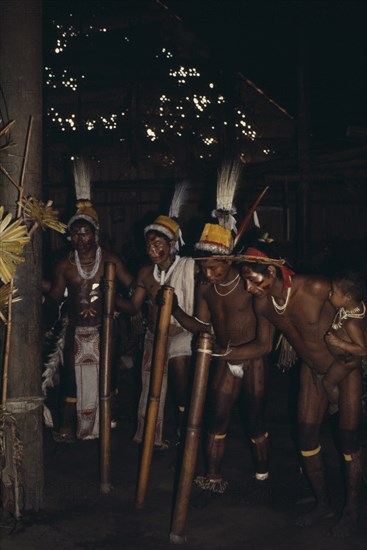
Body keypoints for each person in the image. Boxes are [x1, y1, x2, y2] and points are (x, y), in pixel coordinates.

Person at [228, 238, 365, 536]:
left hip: (344, 369)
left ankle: (353, 509)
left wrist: (354, 350)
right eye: (246, 282)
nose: (249, 288)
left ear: (272, 272)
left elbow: (353, 304)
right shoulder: (263, 304)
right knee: (305, 438)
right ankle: (323, 502)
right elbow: (263, 346)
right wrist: (224, 353)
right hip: (311, 372)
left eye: (252, 280)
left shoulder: (315, 287)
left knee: (348, 440)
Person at [171, 163, 270, 497]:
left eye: (212, 267)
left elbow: (264, 345)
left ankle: (263, 475)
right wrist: (174, 311)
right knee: (217, 420)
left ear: (229, 261)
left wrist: (231, 353)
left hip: (251, 358)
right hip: (225, 359)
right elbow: (201, 325)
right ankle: (212, 477)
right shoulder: (206, 289)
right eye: (204, 267)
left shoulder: (250, 285)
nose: (207, 273)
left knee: (255, 423)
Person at [43, 166, 133, 441]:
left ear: (96, 233)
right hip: (76, 330)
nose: (80, 239)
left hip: (105, 327)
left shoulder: (111, 260)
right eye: (75, 234)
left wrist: (116, 300)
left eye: (85, 233)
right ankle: (68, 427)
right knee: (71, 378)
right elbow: (56, 297)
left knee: (109, 376)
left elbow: (133, 287)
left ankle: (110, 419)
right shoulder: (64, 265)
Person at [116, 186, 196, 449]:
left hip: (181, 333)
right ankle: (151, 434)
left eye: (158, 244)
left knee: (181, 384)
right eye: (149, 244)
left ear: (172, 245)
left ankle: (187, 431)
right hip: (154, 335)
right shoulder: (144, 273)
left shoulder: (188, 267)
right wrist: (108, 297)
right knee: (150, 387)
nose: (152, 249)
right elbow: (132, 306)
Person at [323, 269, 367, 411]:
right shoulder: (355, 306)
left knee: (327, 383)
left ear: (347, 297)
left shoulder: (352, 323)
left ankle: (337, 405)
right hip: (343, 357)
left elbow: (362, 350)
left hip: (346, 361)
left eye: (334, 292)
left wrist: (339, 342)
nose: (330, 293)